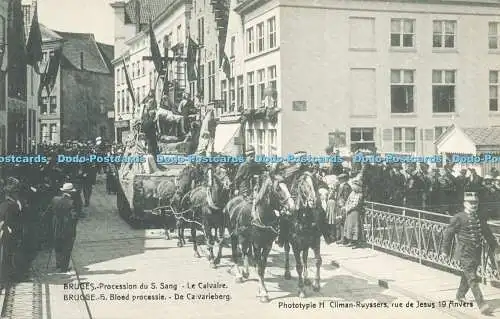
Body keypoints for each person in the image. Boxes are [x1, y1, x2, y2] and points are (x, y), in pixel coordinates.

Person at [441, 191, 498, 315]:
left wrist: (496, 249)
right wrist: (445, 251)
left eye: (475, 203)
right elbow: (448, 234)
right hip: (464, 252)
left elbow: (488, 235)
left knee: (468, 275)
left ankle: (460, 295)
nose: (474, 205)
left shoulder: (480, 216)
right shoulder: (458, 217)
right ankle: (482, 305)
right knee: (472, 278)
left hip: (476, 252)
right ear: (464, 204)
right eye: (471, 203)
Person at [48, 183, 79, 272]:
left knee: (58, 245)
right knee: (67, 247)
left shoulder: (55, 199)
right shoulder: (71, 202)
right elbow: (74, 217)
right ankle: (64, 267)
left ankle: (58, 264)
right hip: (67, 228)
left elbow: (50, 211)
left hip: (56, 226)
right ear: (71, 192)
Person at [233, 146, 266, 227]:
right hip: (245, 188)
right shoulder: (243, 166)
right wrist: (236, 188)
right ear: (246, 156)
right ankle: (240, 221)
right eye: (249, 156)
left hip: (255, 187)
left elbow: (263, 172)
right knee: (244, 206)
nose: (251, 157)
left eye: (253, 155)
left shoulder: (256, 165)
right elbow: (237, 178)